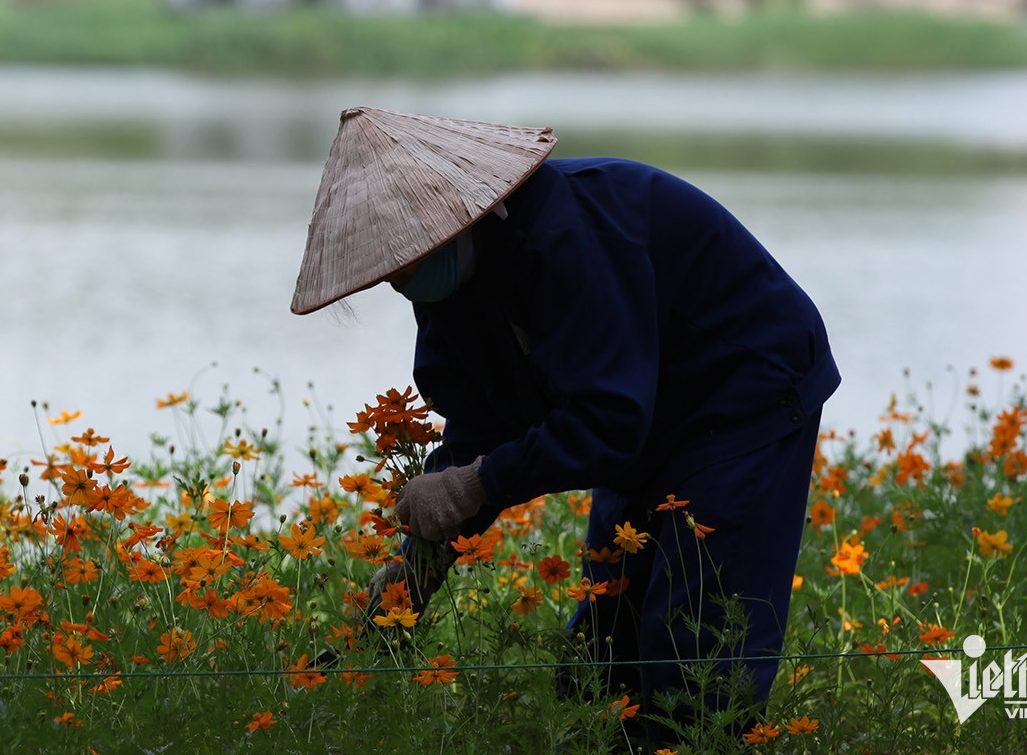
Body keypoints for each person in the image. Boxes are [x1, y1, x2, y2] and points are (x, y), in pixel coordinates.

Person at [290, 107, 837, 733]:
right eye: (387, 272)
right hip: (641, 407)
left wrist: (478, 483)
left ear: (461, 218)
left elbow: (606, 423)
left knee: (697, 651)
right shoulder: (453, 281)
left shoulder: (570, 238)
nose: (398, 279)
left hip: (744, 393)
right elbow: (482, 421)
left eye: (405, 263)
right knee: (597, 656)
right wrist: (416, 567)